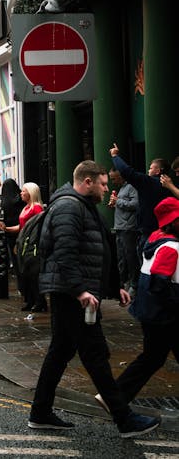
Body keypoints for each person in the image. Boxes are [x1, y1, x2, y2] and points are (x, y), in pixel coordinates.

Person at [28, 160, 160, 438]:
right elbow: (65, 253)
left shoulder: (81, 205)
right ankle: (124, 418)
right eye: (102, 183)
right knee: (95, 354)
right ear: (87, 182)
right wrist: (80, 290)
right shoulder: (68, 207)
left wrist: (112, 288)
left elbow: (96, 250)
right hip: (71, 295)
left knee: (60, 352)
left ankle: (40, 412)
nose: (105, 189)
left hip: (73, 293)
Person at [109, 197, 179, 406]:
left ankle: (115, 396)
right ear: (174, 221)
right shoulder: (171, 247)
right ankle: (115, 396)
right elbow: (160, 280)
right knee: (151, 359)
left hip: (151, 312)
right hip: (165, 315)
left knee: (152, 358)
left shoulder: (155, 239)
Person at [110, 144, 170, 253]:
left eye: (151, 168)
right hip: (165, 230)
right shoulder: (171, 186)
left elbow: (127, 172)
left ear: (158, 171)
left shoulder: (149, 182)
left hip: (149, 232)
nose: (148, 170)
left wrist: (115, 156)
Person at [0, 182, 45, 311]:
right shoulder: (26, 208)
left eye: (24, 191)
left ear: (31, 193)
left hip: (32, 245)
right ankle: (31, 300)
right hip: (23, 243)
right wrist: (6, 229)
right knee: (25, 273)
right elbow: (21, 227)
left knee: (33, 274)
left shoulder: (36, 209)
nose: (21, 193)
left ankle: (39, 301)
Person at [108, 169, 140, 295]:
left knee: (130, 257)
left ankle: (134, 285)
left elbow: (136, 204)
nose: (113, 181)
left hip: (129, 228)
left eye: (114, 178)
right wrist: (115, 203)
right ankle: (123, 284)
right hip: (119, 227)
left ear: (121, 176)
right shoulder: (121, 188)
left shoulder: (131, 187)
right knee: (121, 258)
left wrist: (118, 202)